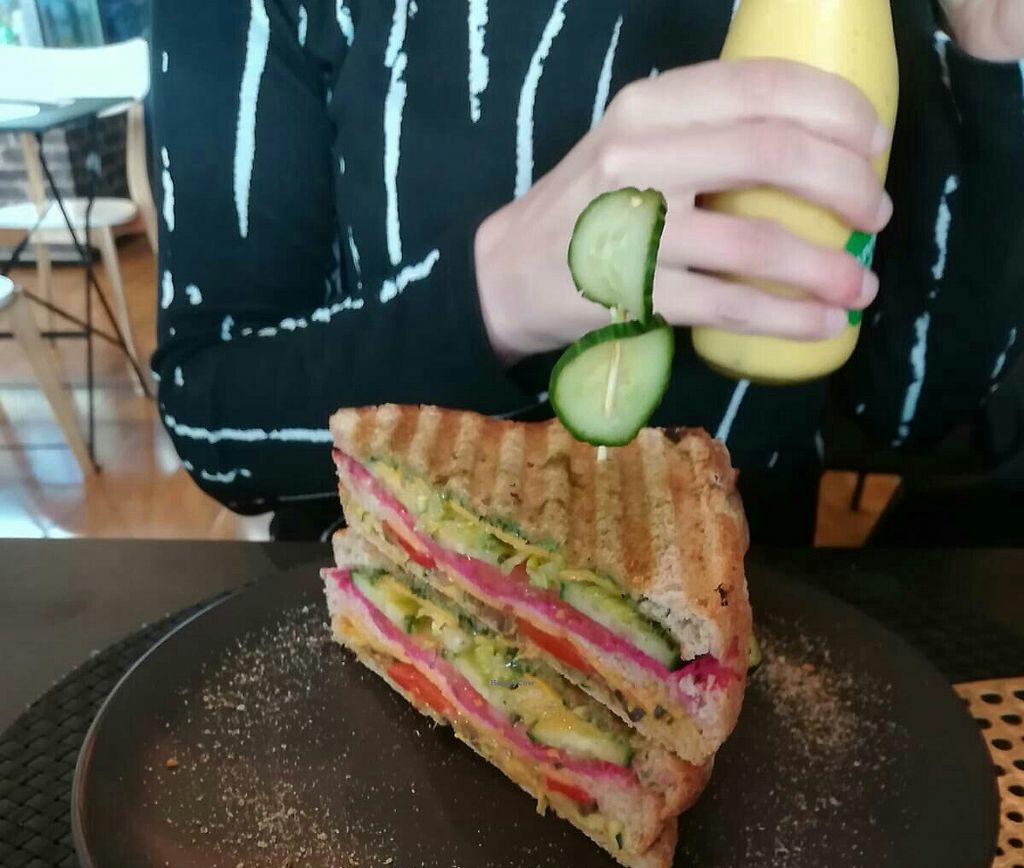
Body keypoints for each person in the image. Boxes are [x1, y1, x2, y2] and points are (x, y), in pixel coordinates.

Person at [151, 0, 1024, 543]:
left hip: (740, 644)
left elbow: (913, 409)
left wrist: (992, 46)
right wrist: (497, 294)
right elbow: (214, 414)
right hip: (387, 641)